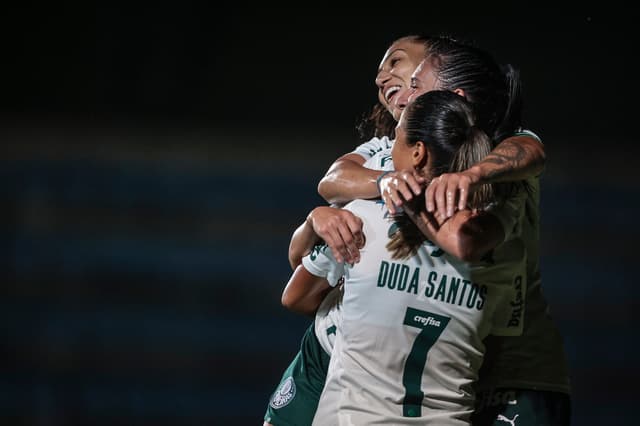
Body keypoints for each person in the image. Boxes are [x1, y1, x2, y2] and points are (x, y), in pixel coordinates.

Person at [264, 34, 570, 426]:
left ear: (454, 95)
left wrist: (416, 190)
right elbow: (329, 185)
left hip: (506, 374)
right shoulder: (385, 157)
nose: (384, 79)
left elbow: (527, 156)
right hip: (351, 358)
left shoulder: (502, 164)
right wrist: (320, 218)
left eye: (404, 69)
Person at [289, 90, 527, 425]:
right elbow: (497, 344)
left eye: (396, 138)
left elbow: (295, 296)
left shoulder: (363, 217)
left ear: (417, 153)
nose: (388, 148)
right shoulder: (505, 242)